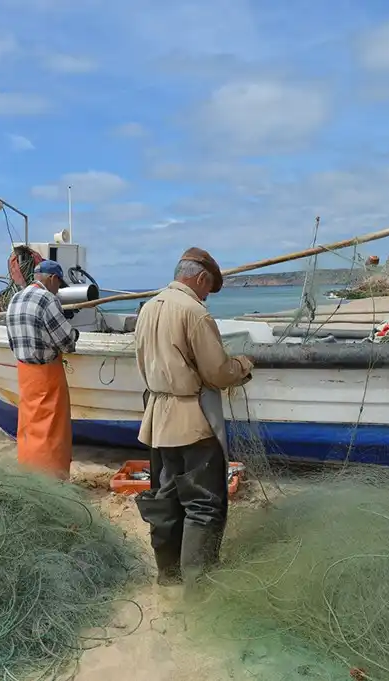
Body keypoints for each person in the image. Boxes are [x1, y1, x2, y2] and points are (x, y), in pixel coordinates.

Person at [133, 247, 255, 587]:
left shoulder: (147, 309)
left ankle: (167, 576)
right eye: (207, 288)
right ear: (201, 278)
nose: (206, 296)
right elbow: (217, 372)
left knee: (166, 499)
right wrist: (243, 366)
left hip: (157, 419)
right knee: (203, 504)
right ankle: (198, 587)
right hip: (193, 422)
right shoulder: (194, 312)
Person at [4, 260, 79, 480]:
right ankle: (52, 478)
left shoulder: (15, 299)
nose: (59, 289)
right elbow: (67, 342)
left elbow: (11, 341)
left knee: (29, 427)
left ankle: (29, 474)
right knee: (52, 430)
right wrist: (75, 334)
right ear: (53, 279)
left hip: (26, 374)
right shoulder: (47, 300)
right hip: (47, 374)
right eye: (59, 284)